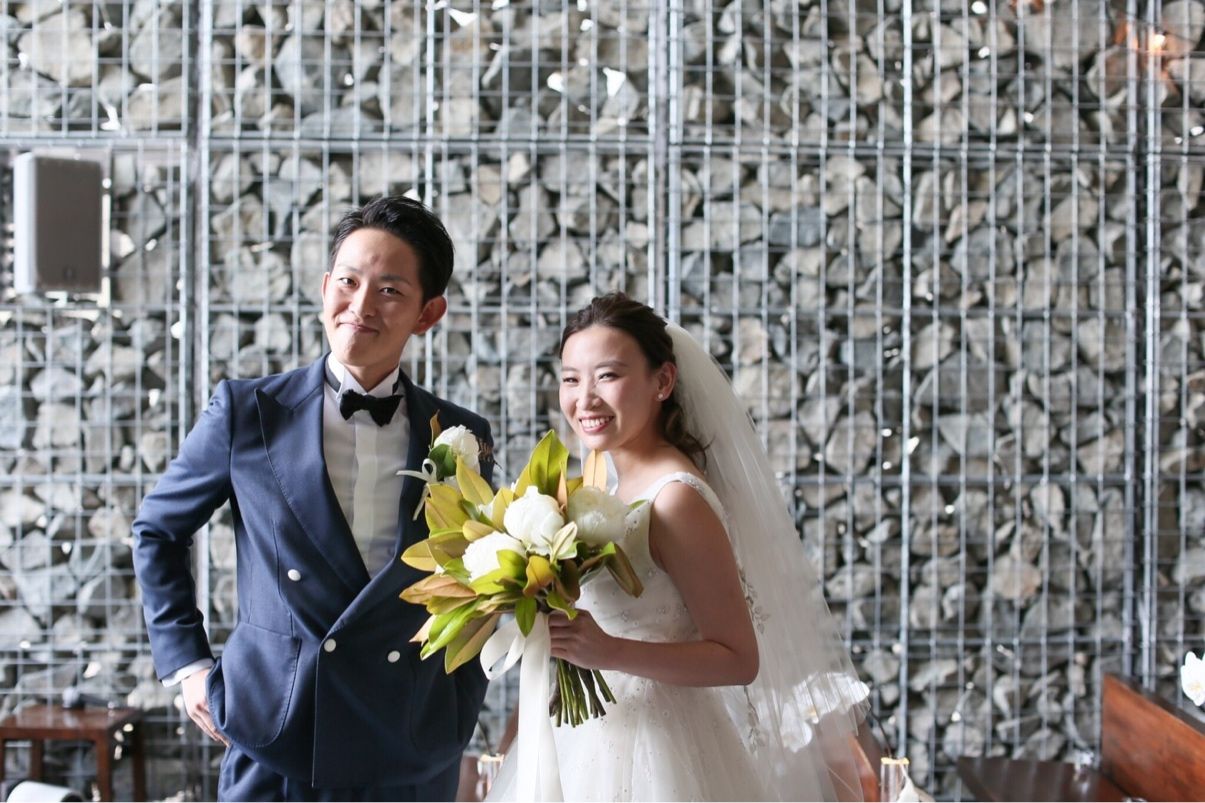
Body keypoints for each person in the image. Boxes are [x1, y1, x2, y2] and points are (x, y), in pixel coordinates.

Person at [133, 196, 494, 801]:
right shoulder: (248, 412)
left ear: (428, 313)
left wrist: (462, 695)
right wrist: (188, 665)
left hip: (409, 734)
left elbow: (478, 572)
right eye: (348, 282)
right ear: (326, 287)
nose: (361, 306)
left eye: (390, 291)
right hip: (277, 730)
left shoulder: (461, 435)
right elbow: (157, 531)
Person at [488, 293, 869, 801]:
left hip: (657, 751)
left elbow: (738, 658)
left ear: (663, 381)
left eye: (608, 375)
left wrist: (609, 651)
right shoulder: (603, 487)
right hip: (586, 734)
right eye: (571, 379)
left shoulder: (675, 498)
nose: (585, 399)